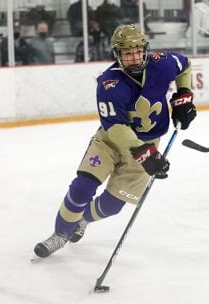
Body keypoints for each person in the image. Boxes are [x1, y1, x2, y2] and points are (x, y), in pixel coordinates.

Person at [33, 24, 197, 258]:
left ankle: (82, 220)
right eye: (127, 53)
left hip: (149, 142)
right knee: (82, 187)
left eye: (138, 51)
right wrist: (145, 153)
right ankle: (60, 234)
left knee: (112, 205)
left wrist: (183, 96)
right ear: (117, 54)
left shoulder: (163, 63)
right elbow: (115, 127)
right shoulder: (109, 83)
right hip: (110, 142)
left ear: (145, 50)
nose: (134, 57)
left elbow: (185, 66)